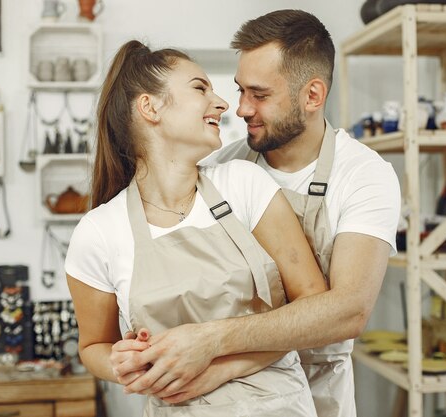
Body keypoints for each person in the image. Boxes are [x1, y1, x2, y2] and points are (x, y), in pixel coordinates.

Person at [116, 9, 401, 417]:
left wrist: (212, 342)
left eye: (260, 94)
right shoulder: (228, 169)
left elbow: (347, 311)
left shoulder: (363, 175)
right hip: (218, 393)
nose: (241, 108)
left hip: (318, 390)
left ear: (313, 96)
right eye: (240, 90)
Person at [64, 39, 330, 416]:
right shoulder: (99, 232)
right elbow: (94, 347)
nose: (222, 103)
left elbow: (314, 308)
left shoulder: (243, 184)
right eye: (200, 88)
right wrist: (120, 363)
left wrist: (215, 367)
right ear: (149, 107)